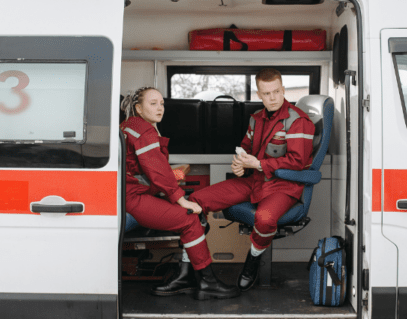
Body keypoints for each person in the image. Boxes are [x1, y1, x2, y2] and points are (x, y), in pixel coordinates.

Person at [190, 69, 315, 291]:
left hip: (283, 186)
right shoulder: (256, 119)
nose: (273, 97)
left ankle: (253, 260)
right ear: (259, 94)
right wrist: (239, 164)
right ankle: (190, 268)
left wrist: (257, 164)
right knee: (195, 200)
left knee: (265, 219)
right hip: (254, 181)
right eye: (267, 94)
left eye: (277, 91)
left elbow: (297, 161)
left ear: (283, 90)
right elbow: (245, 148)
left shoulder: (298, 121)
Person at [121, 87, 239, 300]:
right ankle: (207, 282)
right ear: (138, 108)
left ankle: (186, 276)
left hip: (132, 194)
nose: (160, 108)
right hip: (133, 199)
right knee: (191, 220)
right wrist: (181, 200)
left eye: (162, 103)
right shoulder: (144, 131)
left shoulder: (130, 126)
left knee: (197, 218)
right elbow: (157, 171)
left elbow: (145, 169)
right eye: (153, 103)